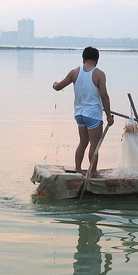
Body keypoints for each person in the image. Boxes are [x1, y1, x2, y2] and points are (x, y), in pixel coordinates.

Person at [52, 46, 114, 177]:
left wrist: (54, 84)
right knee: (94, 144)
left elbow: (58, 87)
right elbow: (104, 96)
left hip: (79, 114)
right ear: (97, 60)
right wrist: (109, 116)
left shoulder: (74, 72)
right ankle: (93, 172)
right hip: (93, 115)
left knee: (83, 142)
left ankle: (79, 169)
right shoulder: (99, 74)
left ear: (83, 59)